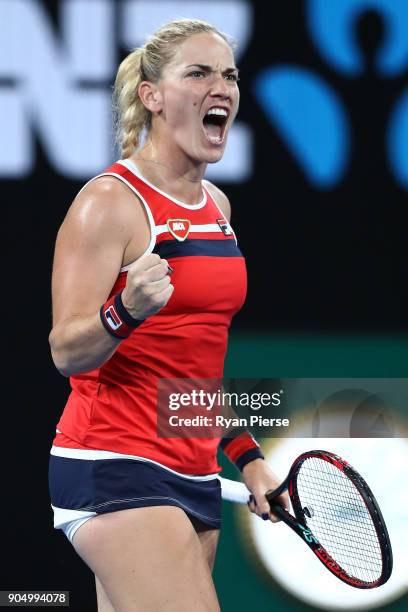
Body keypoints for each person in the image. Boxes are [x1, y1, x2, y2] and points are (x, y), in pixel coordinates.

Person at [48, 18, 289, 612]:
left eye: (229, 75)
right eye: (198, 73)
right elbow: (66, 350)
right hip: (114, 462)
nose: (221, 88)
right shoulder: (109, 202)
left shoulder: (217, 206)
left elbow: (191, 368)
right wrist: (123, 311)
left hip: (194, 470)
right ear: (151, 96)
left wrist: (248, 459)